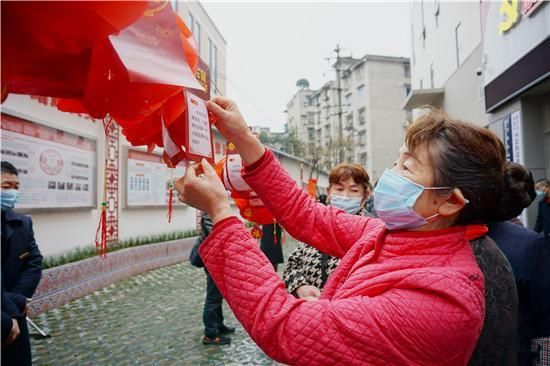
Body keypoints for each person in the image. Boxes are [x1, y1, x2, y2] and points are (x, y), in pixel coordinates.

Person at [175, 99, 526, 365]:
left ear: (449, 202)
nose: (390, 175)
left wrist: (221, 213)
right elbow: (307, 215)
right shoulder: (387, 234)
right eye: (395, 162)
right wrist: (244, 137)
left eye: (408, 168)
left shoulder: (442, 302)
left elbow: (283, 325)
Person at [283, 163, 372, 300]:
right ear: (329, 192)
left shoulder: (371, 231)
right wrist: (300, 286)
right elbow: (293, 263)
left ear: (365, 195)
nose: (345, 196)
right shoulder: (315, 222)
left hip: (347, 311)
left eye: (354, 191)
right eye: (339, 189)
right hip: (309, 309)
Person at [1, 161, 43, 366]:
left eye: (16, 187)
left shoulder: (23, 223)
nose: (12, 193)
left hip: (16, 311)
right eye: (6, 187)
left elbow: (34, 262)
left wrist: (17, 298)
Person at [190, 212, 235, 345]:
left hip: (216, 256)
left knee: (218, 294)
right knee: (213, 297)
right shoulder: (210, 210)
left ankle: (219, 325)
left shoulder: (213, 208)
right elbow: (216, 234)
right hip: (212, 256)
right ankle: (210, 334)